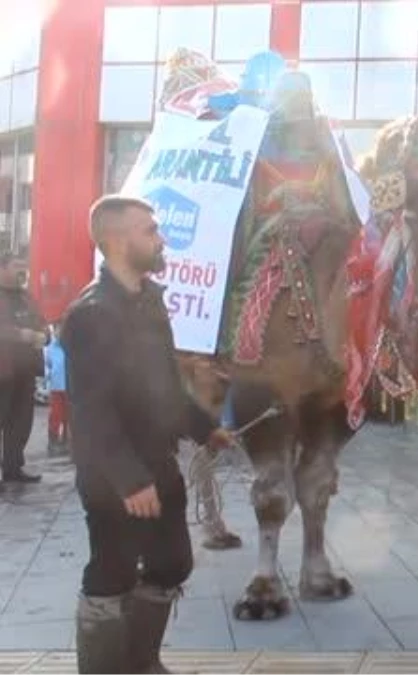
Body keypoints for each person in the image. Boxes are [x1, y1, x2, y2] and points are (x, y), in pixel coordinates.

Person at [62, 195, 234, 674]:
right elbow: (92, 413)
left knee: (172, 563)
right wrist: (128, 480)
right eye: (150, 230)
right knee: (112, 572)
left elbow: (164, 387)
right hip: (112, 476)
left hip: (159, 464)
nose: (161, 239)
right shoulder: (90, 314)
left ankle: (140, 663)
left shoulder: (151, 301)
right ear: (116, 241)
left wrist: (206, 429)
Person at [0, 252, 46, 483]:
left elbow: (40, 319)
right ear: (2, 268)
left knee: (20, 423)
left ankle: (12, 468)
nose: (22, 271)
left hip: (25, 371)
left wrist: (43, 334)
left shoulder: (26, 295)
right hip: (3, 370)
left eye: (24, 266)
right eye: (17, 266)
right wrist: (21, 334)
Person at [44, 324, 70, 458]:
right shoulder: (51, 348)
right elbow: (47, 364)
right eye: (58, 328)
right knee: (56, 415)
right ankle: (53, 442)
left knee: (68, 416)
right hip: (56, 387)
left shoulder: (72, 346)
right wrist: (48, 377)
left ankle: (67, 440)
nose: (61, 331)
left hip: (70, 386)